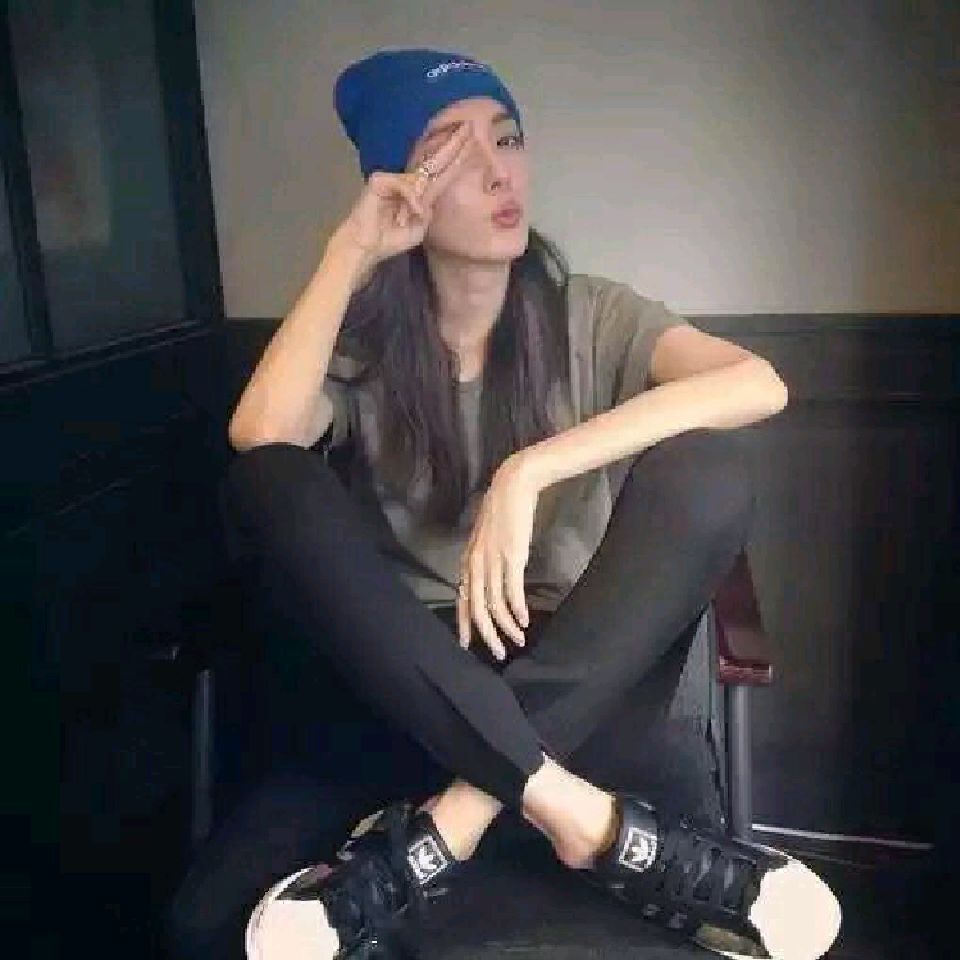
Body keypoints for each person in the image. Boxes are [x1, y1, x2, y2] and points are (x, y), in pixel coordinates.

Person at [168, 48, 842, 960]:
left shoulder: (593, 315)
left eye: (509, 138)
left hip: (584, 682)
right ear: (401, 188)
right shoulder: (358, 344)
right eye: (451, 150)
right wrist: (350, 249)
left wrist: (532, 469)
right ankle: (582, 819)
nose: (499, 172)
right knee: (266, 482)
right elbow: (262, 435)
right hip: (409, 691)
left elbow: (758, 384)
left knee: (710, 466)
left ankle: (453, 822)